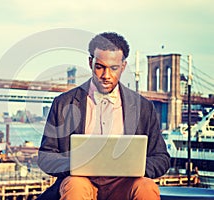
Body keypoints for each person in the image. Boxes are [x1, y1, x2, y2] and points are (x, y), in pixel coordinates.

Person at [37, 32, 170, 200]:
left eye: (113, 68)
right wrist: (76, 165)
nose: (106, 75)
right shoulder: (63, 103)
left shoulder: (143, 107)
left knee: (146, 187)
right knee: (75, 186)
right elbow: (45, 157)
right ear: (90, 63)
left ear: (123, 66)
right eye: (100, 67)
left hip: (125, 184)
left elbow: (161, 158)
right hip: (81, 182)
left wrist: (137, 168)